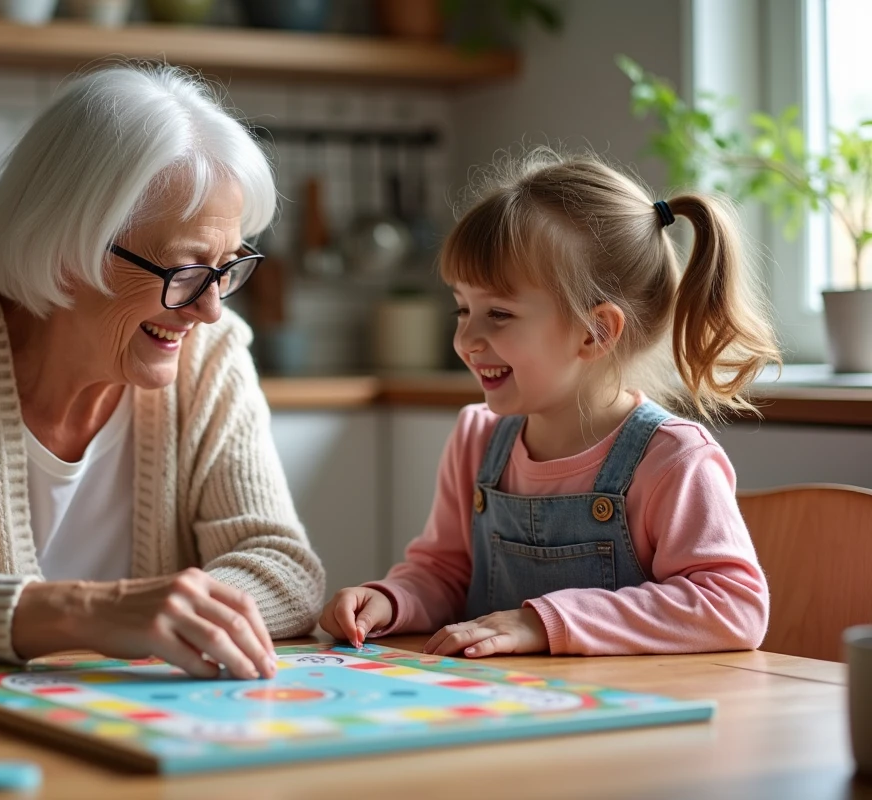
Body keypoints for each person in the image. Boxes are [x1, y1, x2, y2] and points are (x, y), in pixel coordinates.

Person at [0, 64, 325, 677]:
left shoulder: (212, 356)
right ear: (68, 248)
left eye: (228, 267)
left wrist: (182, 618)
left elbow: (284, 567)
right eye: (185, 270)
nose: (212, 309)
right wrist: (88, 612)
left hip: (141, 730)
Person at [321, 149, 778, 657]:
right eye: (462, 308)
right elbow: (444, 573)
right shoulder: (477, 438)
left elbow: (733, 606)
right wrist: (392, 599)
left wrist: (545, 623)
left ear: (595, 331)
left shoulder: (671, 459)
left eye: (498, 313)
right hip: (500, 710)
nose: (465, 339)